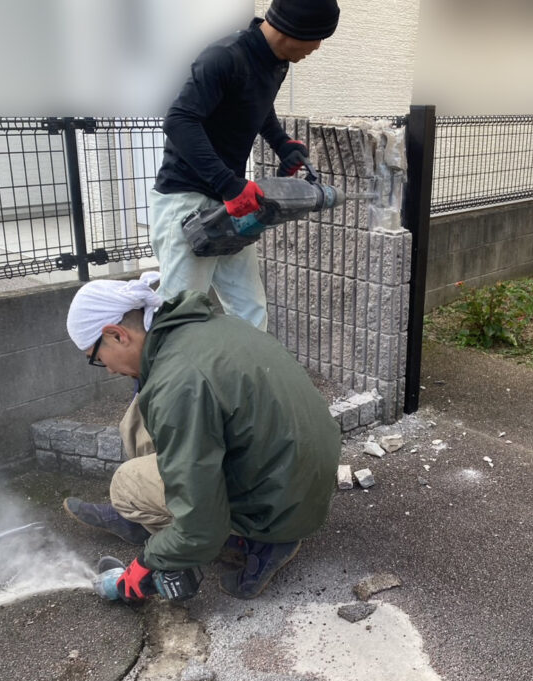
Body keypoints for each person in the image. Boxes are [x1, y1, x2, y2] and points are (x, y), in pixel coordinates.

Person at [62, 272, 341, 603]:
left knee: (126, 485)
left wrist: (148, 562)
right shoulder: (205, 328)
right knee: (137, 418)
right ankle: (145, 519)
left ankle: (258, 542)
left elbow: (202, 528)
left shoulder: (178, 382)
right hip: (302, 478)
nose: (106, 368)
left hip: (278, 509)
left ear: (117, 335)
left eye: (95, 358)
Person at [149, 0, 340, 330]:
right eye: (318, 38)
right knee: (180, 314)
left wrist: (282, 143)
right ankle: (160, 381)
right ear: (293, 29)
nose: (319, 47)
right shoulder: (225, 57)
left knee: (249, 309)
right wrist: (229, 184)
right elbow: (179, 121)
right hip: (188, 201)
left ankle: (253, 378)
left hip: (230, 205)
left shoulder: (275, 62)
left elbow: (259, 105)